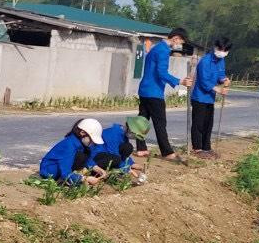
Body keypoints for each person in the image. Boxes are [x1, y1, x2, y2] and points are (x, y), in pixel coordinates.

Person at [135, 28, 194, 161]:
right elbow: (161, 73)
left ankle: (141, 149)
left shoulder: (156, 48)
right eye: (181, 42)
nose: (180, 45)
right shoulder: (163, 50)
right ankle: (167, 152)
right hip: (154, 92)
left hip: (144, 90)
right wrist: (180, 81)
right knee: (160, 122)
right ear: (176, 38)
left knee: (142, 119)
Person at [191, 38, 232, 158]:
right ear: (215, 47)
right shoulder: (205, 61)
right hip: (199, 97)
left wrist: (224, 80)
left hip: (210, 98)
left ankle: (206, 147)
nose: (222, 52)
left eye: (225, 50)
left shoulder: (221, 61)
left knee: (208, 124)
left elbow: (221, 75)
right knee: (198, 124)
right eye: (221, 49)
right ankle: (197, 149)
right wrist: (218, 89)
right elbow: (204, 82)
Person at [40, 118, 106, 186]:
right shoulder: (69, 145)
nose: (92, 143)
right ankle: (62, 181)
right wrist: (85, 179)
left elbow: (88, 160)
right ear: (82, 133)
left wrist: (98, 169)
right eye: (91, 140)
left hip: (62, 170)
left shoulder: (80, 144)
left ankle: (71, 179)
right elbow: (65, 172)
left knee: (85, 154)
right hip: (51, 171)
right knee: (79, 158)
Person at [94, 116, 152, 183]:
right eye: (135, 135)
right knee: (116, 160)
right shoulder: (113, 134)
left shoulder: (123, 134)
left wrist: (132, 164)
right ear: (130, 129)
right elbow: (114, 154)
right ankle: (99, 171)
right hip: (97, 155)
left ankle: (117, 168)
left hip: (108, 155)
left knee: (128, 147)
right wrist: (126, 169)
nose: (134, 138)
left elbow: (122, 154)